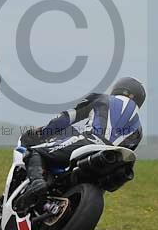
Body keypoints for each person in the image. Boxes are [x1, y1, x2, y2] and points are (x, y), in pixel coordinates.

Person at [17, 76, 145, 206]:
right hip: (112, 163)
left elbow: (66, 118)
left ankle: (37, 183)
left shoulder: (101, 98)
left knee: (35, 152)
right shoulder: (139, 130)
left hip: (90, 141)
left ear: (118, 88)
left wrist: (44, 132)